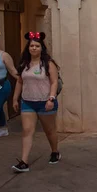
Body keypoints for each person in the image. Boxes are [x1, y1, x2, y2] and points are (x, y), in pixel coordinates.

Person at [11, 32, 61, 173]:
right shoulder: (24, 64)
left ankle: (55, 151)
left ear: (41, 48)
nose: (33, 48)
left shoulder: (48, 64)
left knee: (49, 130)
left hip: (45, 102)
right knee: (27, 131)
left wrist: (51, 98)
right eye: (31, 46)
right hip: (27, 102)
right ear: (28, 48)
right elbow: (20, 82)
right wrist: (15, 98)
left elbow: (54, 82)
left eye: (37, 46)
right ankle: (24, 162)